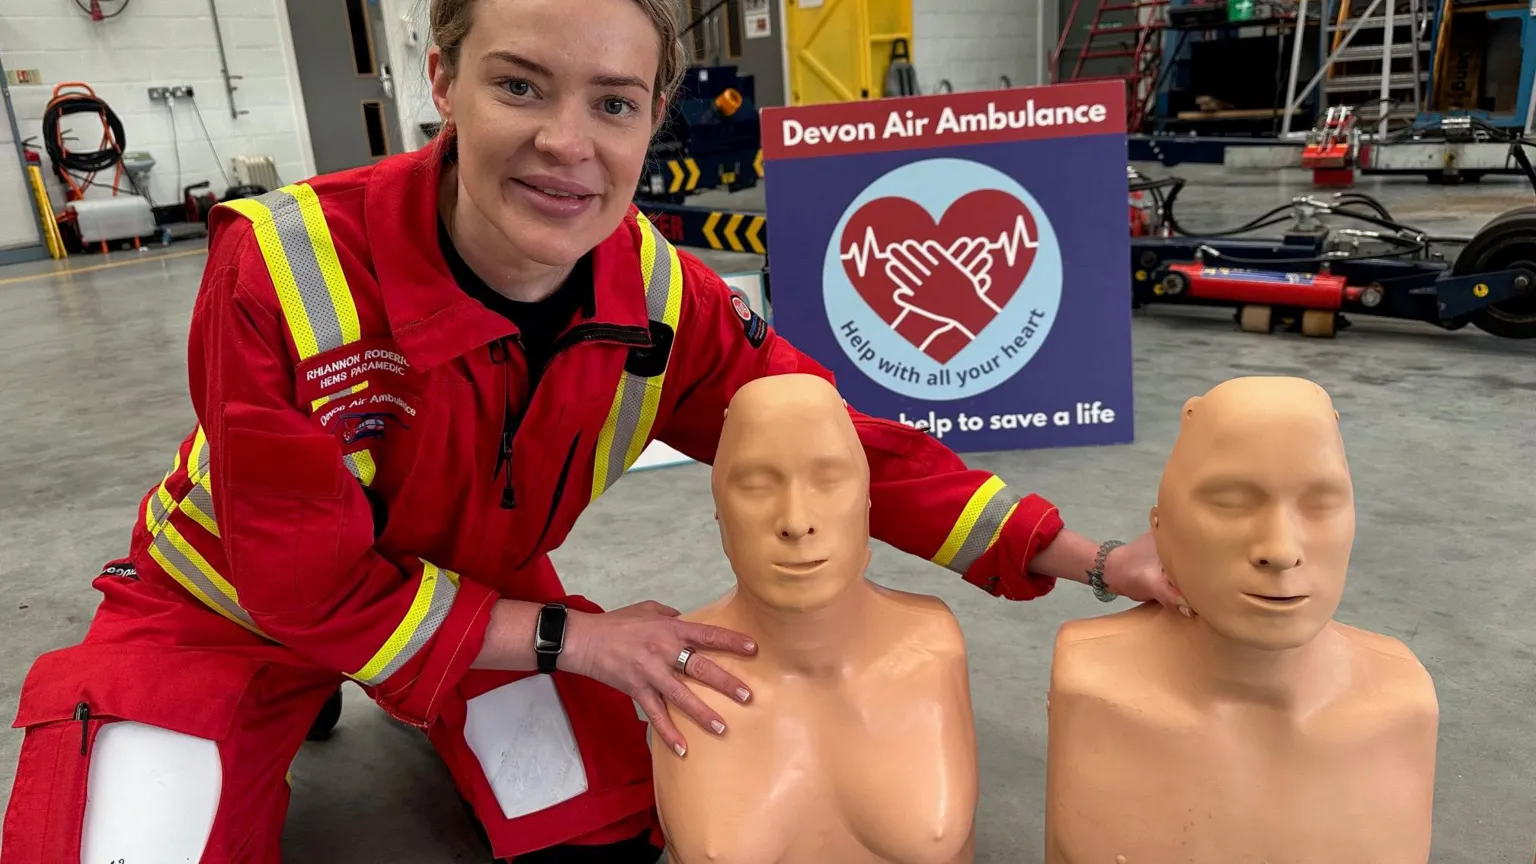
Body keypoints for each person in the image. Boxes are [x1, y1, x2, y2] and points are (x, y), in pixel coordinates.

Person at [0, 0, 1184, 861]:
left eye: (613, 103)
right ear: (442, 78)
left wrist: (1085, 557)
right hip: (227, 609)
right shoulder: (282, 267)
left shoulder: (663, 299)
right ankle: (290, 696)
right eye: (520, 86)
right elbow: (304, 583)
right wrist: (577, 640)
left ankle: (378, 694)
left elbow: (837, 444)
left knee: (601, 832)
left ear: (654, 115)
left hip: (474, 598)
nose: (569, 144)